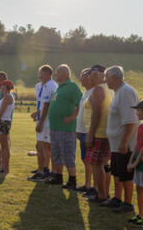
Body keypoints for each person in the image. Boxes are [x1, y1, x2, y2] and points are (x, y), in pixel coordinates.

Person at [103, 66, 139, 213]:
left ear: (115, 77)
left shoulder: (126, 92)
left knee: (125, 175)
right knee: (116, 173)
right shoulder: (118, 92)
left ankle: (127, 203)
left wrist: (124, 141)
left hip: (125, 144)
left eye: (107, 78)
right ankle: (117, 199)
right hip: (116, 144)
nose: (105, 81)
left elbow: (130, 120)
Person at [45, 64, 83, 189]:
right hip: (55, 127)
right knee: (56, 153)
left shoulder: (72, 87)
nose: (56, 75)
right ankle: (58, 176)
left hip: (66, 128)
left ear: (66, 74)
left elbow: (80, 104)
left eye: (58, 72)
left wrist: (72, 117)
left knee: (67, 153)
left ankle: (72, 180)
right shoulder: (59, 88)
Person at [83, 65, 113, 204]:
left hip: (99, 133)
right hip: (101, 132)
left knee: (97, 165)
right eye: (89, 74)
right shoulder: (104, 89)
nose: (90, 77)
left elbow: (96, 114)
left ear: (101, 76)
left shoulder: (99, 90)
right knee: (100, 164)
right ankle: (102, 193)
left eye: (93, 74)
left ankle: (101, 195)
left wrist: (90, 134)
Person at [28, 65, 57, 181]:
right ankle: (45, 168)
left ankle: (41, 172)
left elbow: (47, 105)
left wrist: (40, 121)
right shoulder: (44, 85)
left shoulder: (50, 86)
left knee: (41, 146)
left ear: (46, 74)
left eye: (40, 73)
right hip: (45, 119)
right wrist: (37, 113)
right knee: (45, 146)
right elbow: (44, 105)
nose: (38, 75)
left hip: (47, 121)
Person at [75, 67, 95, 195]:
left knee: (90, 160)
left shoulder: (94, 92)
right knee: (85, 159)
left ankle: (91, 186)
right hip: (82, 131)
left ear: (89, 77)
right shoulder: (85, 92)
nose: (81, 78)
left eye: (82, 76)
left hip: (88, 132)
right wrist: (78, 130)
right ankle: (88, 184)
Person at [0, 80, 15, 174]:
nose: (1, 88)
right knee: (2, 145)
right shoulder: (5, 96)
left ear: (6, 87)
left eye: (2, 86)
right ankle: (3, 166)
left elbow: (1, 111)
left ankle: (6, 168)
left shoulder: (8, 97)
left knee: (4, 147)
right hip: (2, 122)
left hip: (3, 122)